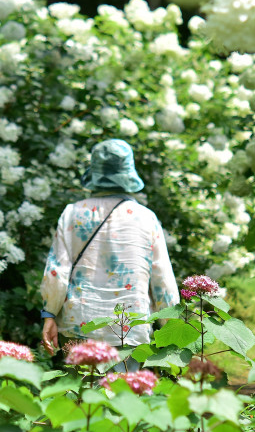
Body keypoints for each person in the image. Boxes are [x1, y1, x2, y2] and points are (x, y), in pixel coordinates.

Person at [39, 138, 180, 355]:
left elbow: (57, 273)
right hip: (130, 327)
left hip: (80, 325)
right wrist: (170, 328)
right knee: (126, 388)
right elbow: (162, 280)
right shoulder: (146, 218)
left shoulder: (73, 214)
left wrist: (49, 314)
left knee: (81, 387)